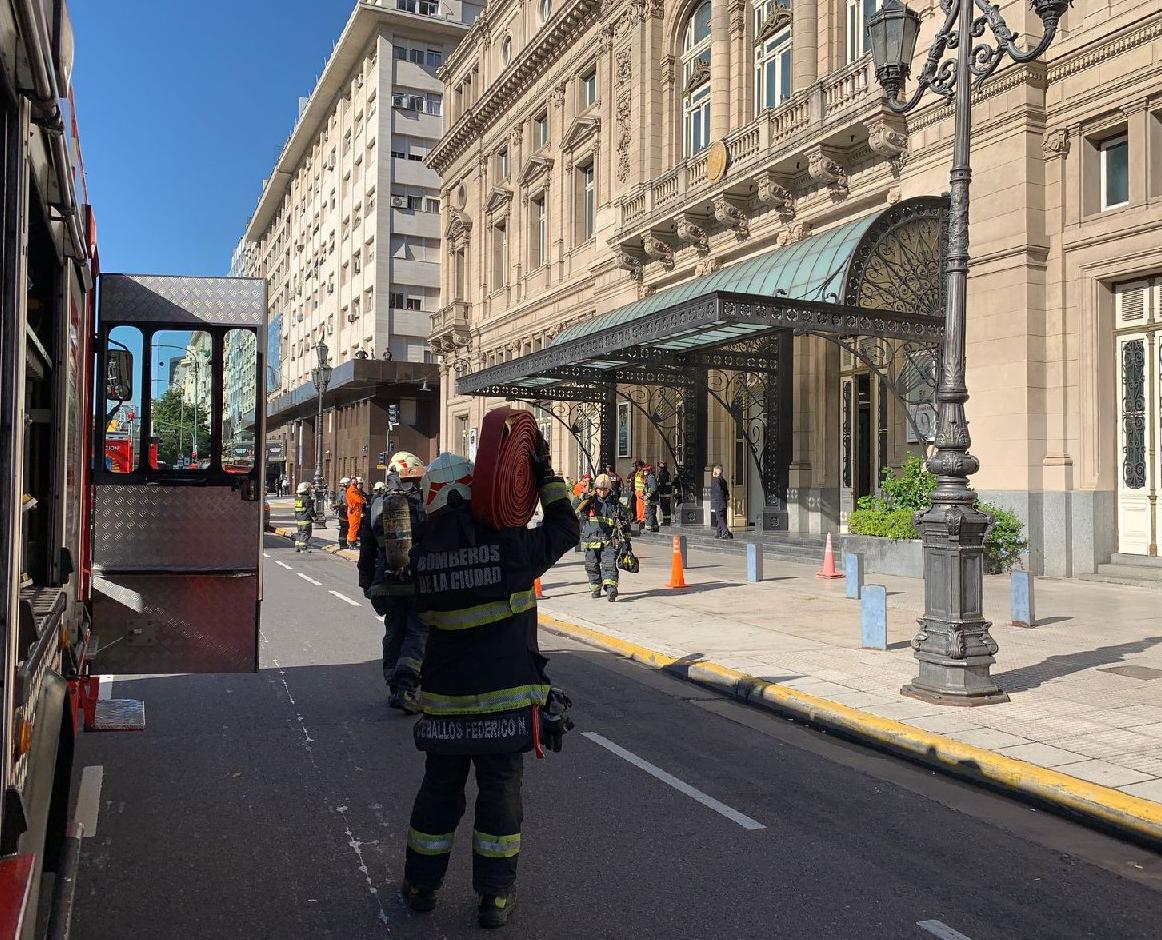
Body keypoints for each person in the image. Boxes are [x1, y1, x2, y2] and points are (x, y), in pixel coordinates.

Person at [401, 439, 578, 929]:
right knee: (499, 799)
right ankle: (495, 899)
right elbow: (566, 528)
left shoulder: (421, 559)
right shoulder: (511, 548)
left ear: (432, 497)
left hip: (445, 709)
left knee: (438, 795)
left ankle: (420, 886)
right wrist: (544, 476)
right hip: (506, 707)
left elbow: (394, 605)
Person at [359, 453, 427, 713]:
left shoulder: (376, 503)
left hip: (384, 583)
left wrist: (365, 581)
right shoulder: (420, 503)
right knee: (418, 630)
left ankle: (393, 685)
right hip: (416, 580)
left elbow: (366, 548)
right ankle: (406, 685)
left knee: (394, 630)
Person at [576, 473, 630, 602]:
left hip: (609, 541)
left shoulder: (615, 503)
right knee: (591, 565)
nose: (602, 492)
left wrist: (627, 544)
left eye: (605, 489)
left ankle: (611, 589)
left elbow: (625, 523)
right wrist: (582, 497)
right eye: (599, 489)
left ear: (609, 489)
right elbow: (575, 508)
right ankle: (595, 588)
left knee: (609, 565)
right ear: (595, 488)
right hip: (591, 541)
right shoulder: (589, 501)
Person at [710, 464, 733, 540]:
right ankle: (718, 532)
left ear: (716, 472)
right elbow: (726, 493)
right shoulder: (724, 481)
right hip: (723, 502)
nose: (713, 473)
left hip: (718, 502)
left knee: (720, 518)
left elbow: (718, 491)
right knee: (721, 517)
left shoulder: (716, 481)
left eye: (714, 471)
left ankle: (726, 532)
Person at [293, 481, 317, 552]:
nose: (309, 490)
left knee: (300, 533)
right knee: (305, 533)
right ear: (305, 490)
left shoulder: (297, 498)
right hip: (305, 519)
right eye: (308, 489)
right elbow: (310, 509)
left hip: (299, 518)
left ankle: (297, 547)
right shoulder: (307, 498)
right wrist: (314, 516)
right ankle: (303, 547)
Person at [346, 476, 366, 549]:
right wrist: (363, 499)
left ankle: (352, 541)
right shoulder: (352, 490)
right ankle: (351, 542)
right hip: (354, 511)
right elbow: (359, 500)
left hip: (355, 511)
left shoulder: (354, 490)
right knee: (353, 527)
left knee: (354, 527)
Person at [334, 476, 352, 549]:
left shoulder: (340, 493)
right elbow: (345, 503)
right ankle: (343, 544)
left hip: (342, 513)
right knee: (344, 529)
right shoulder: (344, 493)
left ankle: (342, 544)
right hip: (344, 513)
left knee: (343, 529)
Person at [643, 463, 660, 533]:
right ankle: (655, 526)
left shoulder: (651, 478)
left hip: (651, 499)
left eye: (646, 471)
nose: (644, 472)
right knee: (652, 512)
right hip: (651, 498)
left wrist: (647, 495)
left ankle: (648, 528)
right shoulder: (648, 477)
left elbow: (653, 489)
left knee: (649, 513)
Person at [656, 460, 672, 526]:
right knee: (663, 507)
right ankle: (665, 521)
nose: (660, 468)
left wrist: (657, 485)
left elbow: (662, 483)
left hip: (665, 493)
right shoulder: (661, 473)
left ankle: (667, 521)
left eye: (661, 467)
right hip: (663, 493)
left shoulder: (665, 474)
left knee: (666, 508)